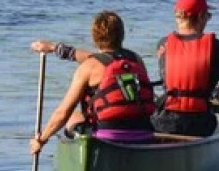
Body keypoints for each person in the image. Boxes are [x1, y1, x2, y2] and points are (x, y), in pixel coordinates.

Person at [30, 10, 157, 157]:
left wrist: (41, 140)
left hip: (106, 137)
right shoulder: (136, 60)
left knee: (74, 116)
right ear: (122, 35)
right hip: (142, 132)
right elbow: (98, 57)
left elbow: (63, 113)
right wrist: (54, 48)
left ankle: (84, 160)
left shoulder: (89, 67)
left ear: (94, 38)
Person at [153, 0, 219, 138]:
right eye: (208, 16)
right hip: (200, 124)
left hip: (167, 123)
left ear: (178, 17)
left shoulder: (163, 44)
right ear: (200, 17)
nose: (208, 20)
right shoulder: (214, 46)